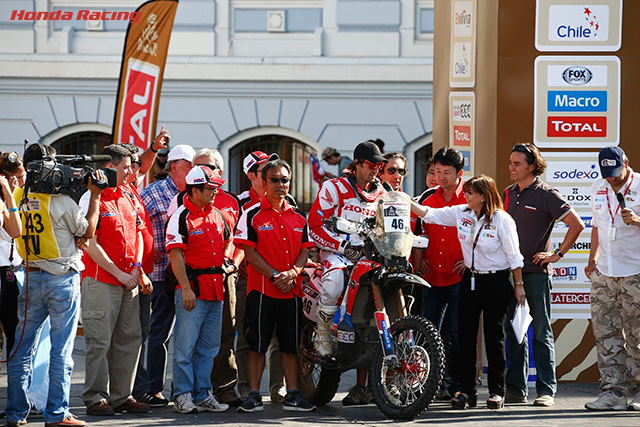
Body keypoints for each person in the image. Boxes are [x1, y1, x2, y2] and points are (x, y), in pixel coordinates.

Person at [6, 143, 103, 427]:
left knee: (22, 350)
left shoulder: (17, 196)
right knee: (61, 350)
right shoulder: (62, 202)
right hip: (62, 279)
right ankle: (57, 413)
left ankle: (14, 414)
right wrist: (94, 197)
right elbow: (87, 230)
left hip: (31, 276)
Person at [410, 174, 525, 410]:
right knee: (464, 336)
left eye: (471, 193)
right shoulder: (461, 213)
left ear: (483, 196)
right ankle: (466, 391)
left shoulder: (503, 220)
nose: (466, 196)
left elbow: (514, 257)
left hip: (497, 281)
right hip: (469, 280)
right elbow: (429, 214)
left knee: (494, 337)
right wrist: (404, 201)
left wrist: (519, 286)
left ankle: (496, 392)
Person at [503, 143, 584, 407]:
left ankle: (546, 391)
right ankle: (515, 390)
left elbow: (577, 224)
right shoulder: (507, 193)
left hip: (536, 275)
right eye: (510, 162)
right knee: (515, 332)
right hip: (510, 274)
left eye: (517, 163)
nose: (511, 167)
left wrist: (557, 254)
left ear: (532, 166)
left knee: (540, 332)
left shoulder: (548, 194)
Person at [234, 159, 317, 413]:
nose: (280, 185)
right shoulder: (251, 214)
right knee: (257, 345)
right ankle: (254, 395)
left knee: (289, 346)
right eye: (274, 180)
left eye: (284, 180)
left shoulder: (299, 217)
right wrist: (274, 275)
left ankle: (292, 395)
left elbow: (305, 252)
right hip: (262, 291)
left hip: (291, 291)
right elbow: (248, 252)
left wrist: (292, 272)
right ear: (263, 183)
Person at [308, 140, 386, 406]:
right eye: (372, 164)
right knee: (335, 281)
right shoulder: (334, 187)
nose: (377, 169)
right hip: (337, 252)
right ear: (357, 165)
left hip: (369, 257)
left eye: (380, 165)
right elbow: (315, 227)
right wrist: (343, 246)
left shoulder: (382, 193)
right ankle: (322, 335)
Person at [80, 144, 151, 416]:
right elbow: (89, 242)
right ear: (109, 168)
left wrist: (137, 268)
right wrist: (120, 273)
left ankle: (122, 395)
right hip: (102, 281)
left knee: (129, 338)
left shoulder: (129, 195)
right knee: (99, 341)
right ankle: (95, 397)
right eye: (126, 167)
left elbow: (137, 236)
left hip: (128, 280)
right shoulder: (92, 196)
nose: (131, 171)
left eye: (132, 167)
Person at [166, 166, 233, 414]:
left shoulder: (218, 214)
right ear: (195, 190)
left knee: (209, 348)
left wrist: (228, 261)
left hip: (216, 291)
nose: (216, 192)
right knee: (185, 348)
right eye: (211, 188)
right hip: (193, 291)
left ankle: (203, 394)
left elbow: (230, 240)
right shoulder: (181, 216)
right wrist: (185, 288)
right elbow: (175, 255)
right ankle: (183, 395)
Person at [137, 143, 195, 406]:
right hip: (159, 274)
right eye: (189, 165)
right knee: (157, 333)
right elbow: (139, 228)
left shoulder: (194, 195)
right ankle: (152, 388)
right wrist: (153, 250)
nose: (194, 170)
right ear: (174, 167)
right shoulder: (153, 192)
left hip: (185, 277)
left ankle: (182, 388)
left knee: (182, 335)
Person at [584, 146, 640, 411]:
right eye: (607, 174)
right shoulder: (598, 186)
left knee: (638, 335)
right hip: (604, 272)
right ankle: (613, 393)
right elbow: (597, 224)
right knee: (606, 334)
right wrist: (592, 258)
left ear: (626, 164)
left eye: (616, 173)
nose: (612, 179)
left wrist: (638, 221)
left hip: (635, 271)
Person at [414, 147, 467, 400]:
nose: (441, 177)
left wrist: (471, 260)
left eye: (447, 172)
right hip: (431, 277)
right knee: (427, 331)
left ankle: (456, 385)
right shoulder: (426, 199)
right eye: (437, 171)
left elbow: (486, 232)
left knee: (457, 334)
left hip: (460, 278)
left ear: (460, 173)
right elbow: (417, 236)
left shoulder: (471, 197)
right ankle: (427, 385)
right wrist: (419, 259)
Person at [236, 150, 288, 403]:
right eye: (266, 170)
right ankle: (246, 388)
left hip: (283, 280)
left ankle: (277, 387)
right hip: (248, 277)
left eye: (281, 177)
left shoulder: (290, 204)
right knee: (249, 335)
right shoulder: (238, 203)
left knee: (281, 336)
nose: (277, 179)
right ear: (252, 176)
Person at [0, 151, 25, 358]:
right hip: (2, 270)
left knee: (14, 326)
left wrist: (10, 197)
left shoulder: (12, 199)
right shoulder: (5, 200)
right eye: (17, 176)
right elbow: (15, 230)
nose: (22, 180)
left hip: (12, 270)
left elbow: (16, 231)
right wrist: (9, 196)